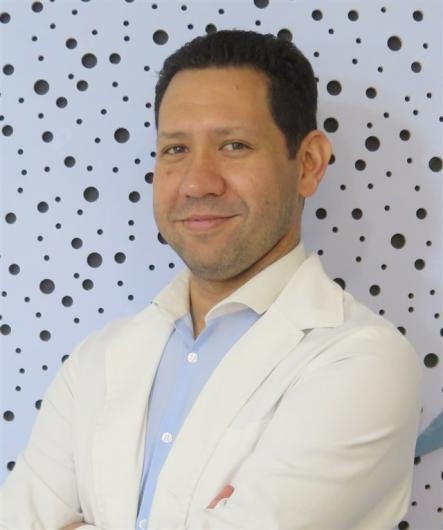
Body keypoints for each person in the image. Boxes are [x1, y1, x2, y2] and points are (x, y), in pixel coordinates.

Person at [0, 30, 421, 530]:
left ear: (308, 164)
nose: (198, 182)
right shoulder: (99, 360)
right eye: (176, 149)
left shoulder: (362, 361)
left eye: (234, 145)